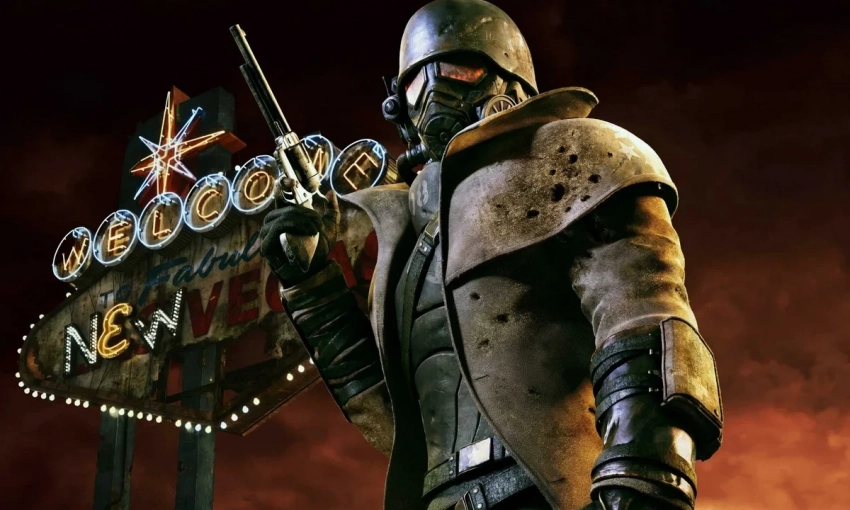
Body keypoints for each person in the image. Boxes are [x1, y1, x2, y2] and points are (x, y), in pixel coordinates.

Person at [259, 1, 723, 508]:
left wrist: (641, 481)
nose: (434, 93)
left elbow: (647, 329)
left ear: (508, 80)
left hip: (545, 492)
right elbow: (392, 413)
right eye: (416, 83)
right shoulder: (403, 232)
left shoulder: (575, 157)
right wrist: (310, 285)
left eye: (457, 70)